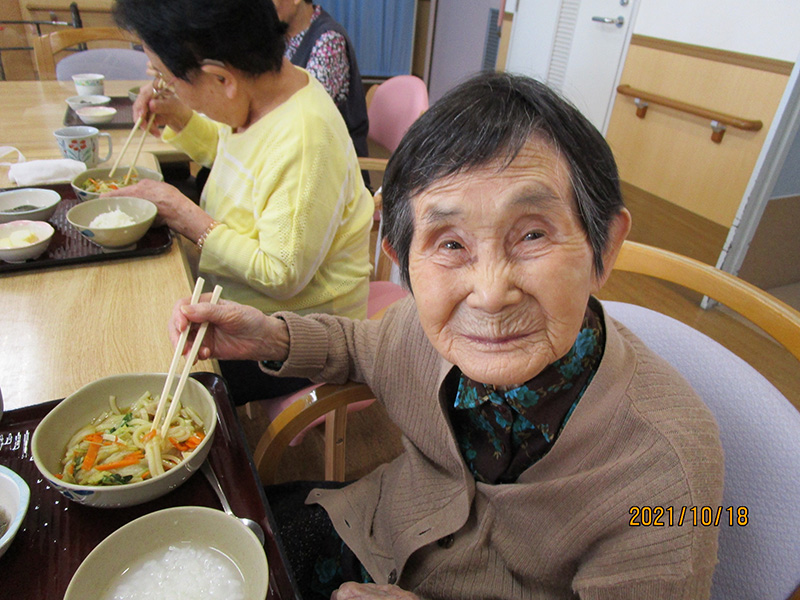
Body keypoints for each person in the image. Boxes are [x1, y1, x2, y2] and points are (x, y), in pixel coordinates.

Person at [169, 72, 724, 599]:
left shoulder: (671, 479)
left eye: (532, 234)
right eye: (451, 244)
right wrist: (270, 337)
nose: (488, 293)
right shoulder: (422, 326)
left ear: (605, 247)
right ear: (400, 257)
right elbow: (366, 347)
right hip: (369, 526)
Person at [109, 0, 374, 401]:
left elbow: (281, 274)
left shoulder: (304, 138)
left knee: (140, 365)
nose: (163, 87)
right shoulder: (264, 93)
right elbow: (229, 152)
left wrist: (185, 215)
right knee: (131, 313)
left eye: (166, 78)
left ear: (221, 78)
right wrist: (179, 117)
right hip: (237, 297)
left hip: (297, 334)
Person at [274, 0, 369, 160]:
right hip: (298, 152)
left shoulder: (329, 41)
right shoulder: (281, 37)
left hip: (331, 164)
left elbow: (306, 116)